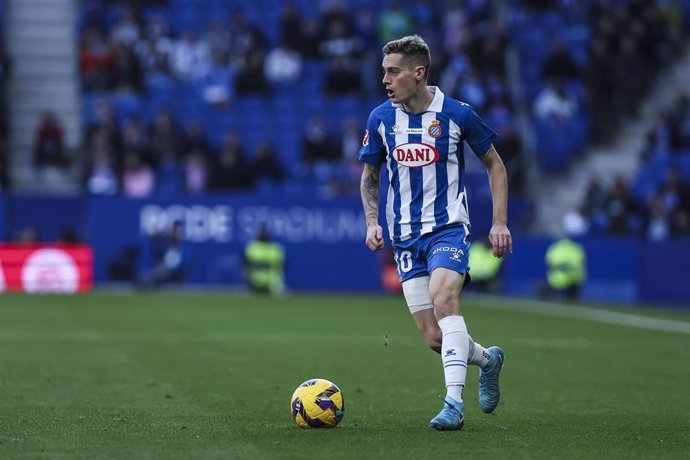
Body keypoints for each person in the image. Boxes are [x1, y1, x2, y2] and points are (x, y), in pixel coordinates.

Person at [358, 35, 512, 431]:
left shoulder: (458, 115)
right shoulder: (381, 119)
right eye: (384, 72)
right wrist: (372, 221)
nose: (386, 80)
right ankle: (488, 360)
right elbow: (370, 175)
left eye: (393, 72)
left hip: (447, 229)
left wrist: (498, 222)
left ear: (418, 72)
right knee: (435, 338)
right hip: (405, 237)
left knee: (445, 302)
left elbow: (496, 165)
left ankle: (453, 405)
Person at [541, 236, 587, 301]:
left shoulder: (555, 248)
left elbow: (549, 261)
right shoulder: (576, 247)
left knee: (557, 292)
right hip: (574, 275)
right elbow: (581, 260)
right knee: (572, 295)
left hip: (559, 276)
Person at [243, 227, 285, 295]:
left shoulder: (253, 248)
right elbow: (283, 266)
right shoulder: (275, 249)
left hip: (260, 282)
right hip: (267, 282)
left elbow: (245, 265)